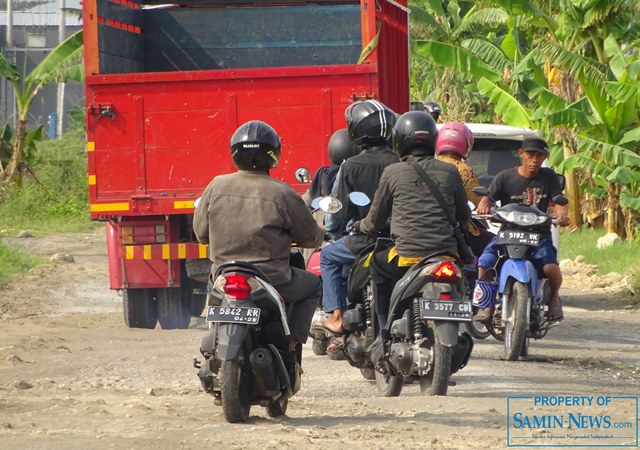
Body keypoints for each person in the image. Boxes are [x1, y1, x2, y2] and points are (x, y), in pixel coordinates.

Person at [193, 120, 324, 354]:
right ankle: (292, 344)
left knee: (213, 294)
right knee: (313, 285)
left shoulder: (216, 185)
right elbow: (311, 239)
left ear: (234, 152)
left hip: (223, 275)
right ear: (273, 154)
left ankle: (212, 341)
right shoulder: (283, 193)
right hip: (274, 279)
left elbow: (201, 234)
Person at [351, 111, 470, 328]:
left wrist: (359, 225)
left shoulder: (393, 172)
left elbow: (374, 222)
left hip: (407, 256)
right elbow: (464, 216)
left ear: (399, 140)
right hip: (446, 255)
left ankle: (383, 328)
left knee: (377, 263)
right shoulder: (450, 172)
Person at [312, 99, 399, 338]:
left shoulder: (350, 165)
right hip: (398, 240)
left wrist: (329, 230)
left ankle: (336, 316)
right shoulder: (401, 162)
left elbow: (338, 212)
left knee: (328, 256)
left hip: (363, 241)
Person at [473, 136, 570, 323]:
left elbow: (559, 200)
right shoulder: (504, 177)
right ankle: (486, 304)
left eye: (539, 155)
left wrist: (562, 213)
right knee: (485, 261)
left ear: (545, 157)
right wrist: (483, 205)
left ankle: (553, 297)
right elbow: (488, 198)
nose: (534, 159)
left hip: (538, 235)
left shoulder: (549, 177)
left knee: (551, 268)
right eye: (530, 154)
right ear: (521, 154)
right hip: (508, 233)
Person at [435, 121, 494, 256]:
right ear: (465, 144)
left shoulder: (427, 165)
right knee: (494, 242)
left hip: (429, 229)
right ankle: (484, 275)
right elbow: (478, 203)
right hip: (457, 230)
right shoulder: (464, 170)